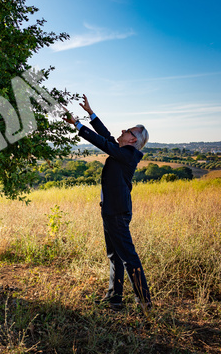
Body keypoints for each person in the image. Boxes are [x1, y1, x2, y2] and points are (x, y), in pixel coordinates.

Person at [64, 95, 152, 311]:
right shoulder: (123, 151)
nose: (123, 131)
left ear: (133, 140)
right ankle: (115, 299)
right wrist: (90, 113)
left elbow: (102, 142)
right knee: (115, 255)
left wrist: (78, 125)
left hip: (117, 213)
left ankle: (145, 303)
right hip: (111, 210)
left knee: (128, 257)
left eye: (128, 131)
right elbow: (107, 136)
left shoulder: (129, 154)